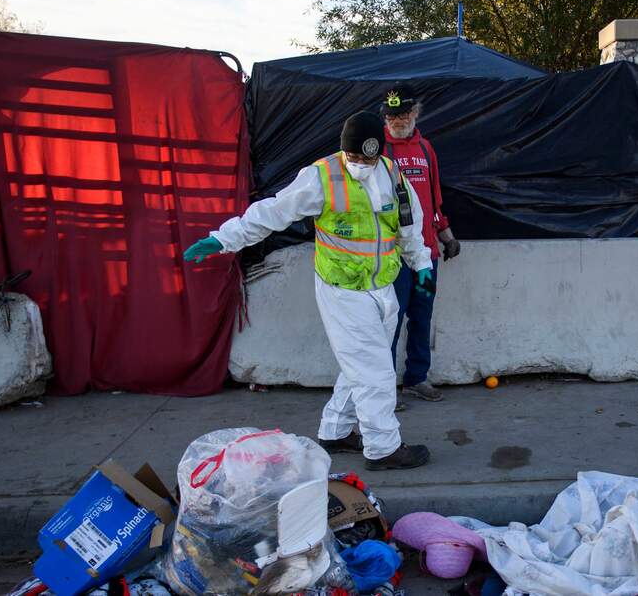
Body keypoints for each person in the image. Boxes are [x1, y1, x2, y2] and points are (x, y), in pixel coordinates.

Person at [182, 111, 434, 470]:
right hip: (342, 291)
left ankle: (335, 431)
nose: (361, 164)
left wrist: (421, 264)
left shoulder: (394, 177)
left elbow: (409, 225)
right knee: (376, 372)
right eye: (354, 157)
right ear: (344, 149)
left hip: (382, 286)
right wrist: (224, 238)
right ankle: (383, 448)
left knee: (362, 363)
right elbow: (272, 213)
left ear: (379, 152)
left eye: (368, 158)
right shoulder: (321, 177)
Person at [381, 83, 461, 405]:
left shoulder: (426, 149)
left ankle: (416, 378)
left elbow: (434, 200)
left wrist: (446, 235)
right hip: (394, 257)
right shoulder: (377, 152)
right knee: (390, 321)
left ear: (415, 113)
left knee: (422, 315)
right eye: (391, 116)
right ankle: (383, 389)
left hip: (427, 256)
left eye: (402, 114)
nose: (397, 121)